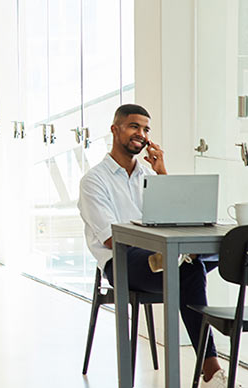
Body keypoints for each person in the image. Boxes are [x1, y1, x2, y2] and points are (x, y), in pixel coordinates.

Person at [77, 104, 226, 385]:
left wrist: (162, 173)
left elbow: (181, 219)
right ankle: (211, 371)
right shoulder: (94, 181)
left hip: (163, 257)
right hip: (121, 261)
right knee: (190, 270)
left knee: (214, 254)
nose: (141, 134)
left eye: (146, 129)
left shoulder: (148, 175)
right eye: (134, 126)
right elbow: (111, 239)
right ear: (115, 129)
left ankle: (178, 259)